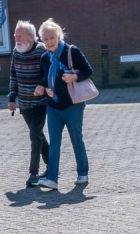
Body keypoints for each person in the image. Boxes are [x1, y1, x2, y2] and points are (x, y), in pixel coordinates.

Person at [36, 19, 92, 191]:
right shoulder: (45, 57)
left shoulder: (71, 51)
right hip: (53, 106)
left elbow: (88, 70)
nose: (49, 41)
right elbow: (45, 77)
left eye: (52, 37)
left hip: (73, 105)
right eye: (45, 39)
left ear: (58, 36)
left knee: (76, 139)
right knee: (54, 143)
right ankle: (52, 178)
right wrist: (43, 87)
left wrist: (74, 77)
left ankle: (83, 173)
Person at [8, 20, 49, 187]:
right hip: (24, 103)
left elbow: (49, 73)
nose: (16, 38)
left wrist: (42, 84)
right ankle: (52, 164)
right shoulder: (16, 52)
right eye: (15, 35)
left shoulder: (42, 51)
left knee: (34, 136)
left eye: (20, 35)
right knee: (38, 135)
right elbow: (13, 75)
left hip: (40, 102)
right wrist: (12, 97)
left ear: (31, 37)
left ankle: (34, 173)